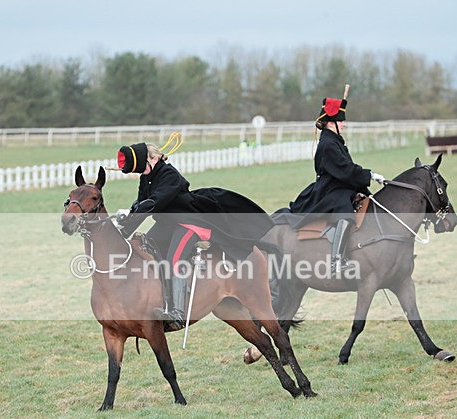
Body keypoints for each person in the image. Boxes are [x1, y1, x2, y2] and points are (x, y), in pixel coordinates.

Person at [116, 138, 273, 332]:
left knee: (175, 259)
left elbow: (155, 202)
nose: (142, 173)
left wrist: (138, 208)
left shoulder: (169, 174)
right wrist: (122, 228)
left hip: (189, 223)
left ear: (153, 158)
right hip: (168, 224)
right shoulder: (146, 177)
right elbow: (141, 204)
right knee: (147, 249)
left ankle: (177, 312)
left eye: (142, 168)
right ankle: (160, 300)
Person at [287, 95, 385, 270]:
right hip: (329, 189)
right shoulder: (328, 144)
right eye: (341, 122)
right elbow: (346, 170)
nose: (344, 125)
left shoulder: (334, 140)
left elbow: (347, 169)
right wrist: (369, 174)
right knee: (345, 212)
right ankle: (336, 261)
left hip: (339, 184)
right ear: (332, 123)